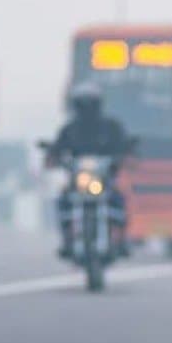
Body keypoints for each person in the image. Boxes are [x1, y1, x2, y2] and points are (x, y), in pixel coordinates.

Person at [44, 82, 133, 258]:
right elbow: (57, 149)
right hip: (77, 181)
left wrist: (124, 155)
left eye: (90, 104)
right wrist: (53, 157)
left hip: (104, 180)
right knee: (63, 202)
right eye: (83, 104)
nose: (87, 109)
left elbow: (124, 145)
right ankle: (68, 240)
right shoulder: (70, 129)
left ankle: (121, 240)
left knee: (119, 201)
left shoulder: (111, 127)